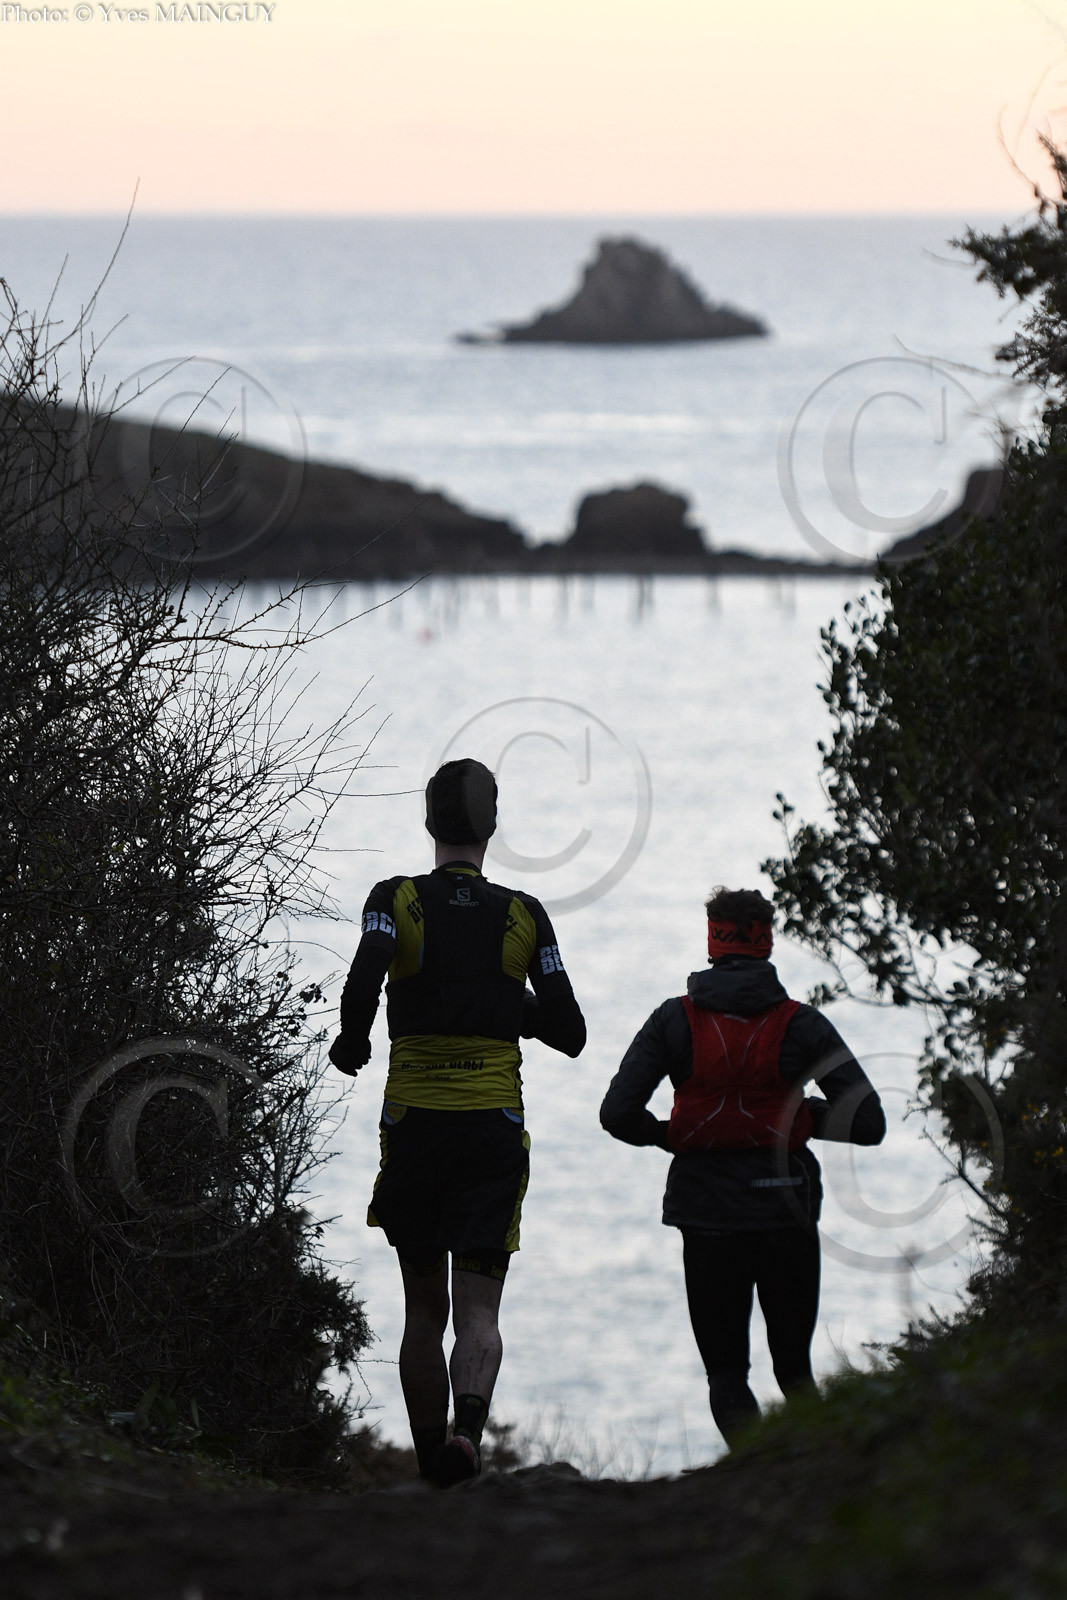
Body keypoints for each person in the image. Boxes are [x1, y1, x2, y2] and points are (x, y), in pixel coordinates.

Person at [330, 758, 586, 1485]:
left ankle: (427, 1462)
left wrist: (353, 1040)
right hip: (490, 1131)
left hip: (414, 1126)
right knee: (479, 1310)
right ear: (492, 827)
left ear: (427, 822)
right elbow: (570, 1031)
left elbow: (367, 970)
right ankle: (467, 1436)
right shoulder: (525, 913)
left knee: (423, 1310)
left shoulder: (395, 897)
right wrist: (511, 1007)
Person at [599, 885, 885, 1447]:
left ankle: (755, 1467)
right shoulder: (802, 1024)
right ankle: (816, 1471)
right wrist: (798, 1117)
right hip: (785, 1210)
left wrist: (674, 1135)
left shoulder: (672, 1021)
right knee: (795, 1370)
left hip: (705, 1212)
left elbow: (617, 1114)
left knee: (726, 1372)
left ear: (713, 941)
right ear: (765, 941)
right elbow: (868, 1122)